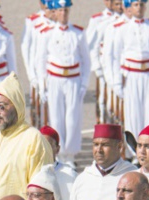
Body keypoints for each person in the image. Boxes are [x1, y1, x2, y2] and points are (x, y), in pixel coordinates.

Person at [35, 0, 90, 162]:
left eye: (66, 10)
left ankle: (70, 155)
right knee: (56, 117)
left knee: (73, 118)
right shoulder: (47, 32)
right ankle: (58, 154)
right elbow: (41, 60)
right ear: (55, 12)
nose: (63, 14)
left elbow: (86, 60)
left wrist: (84, 83)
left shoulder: (78, 33)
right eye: (60, 10)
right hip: (55, 79)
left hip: (73, 79)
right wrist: (41, 84)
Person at [109, 0, 149, 137]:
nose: (139, 8)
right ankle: (133, 150)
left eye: (141, 5)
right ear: (130, 7)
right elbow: (116, 57)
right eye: (136, 5)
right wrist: (117, 81)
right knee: (133, 114)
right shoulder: (122, 28)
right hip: (132, 76)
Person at [70, 124, 136, 200]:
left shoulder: (132, 175)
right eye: (96, 144)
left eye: (105, 145)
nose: (99, 150)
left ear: (119, 146)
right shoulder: (83, 178)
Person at [39, 125, 77, 200]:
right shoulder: (30, 171)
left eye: (48, 145)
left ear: (57, 149)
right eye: (41, 145)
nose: (44, 149)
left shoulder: (69, 174)